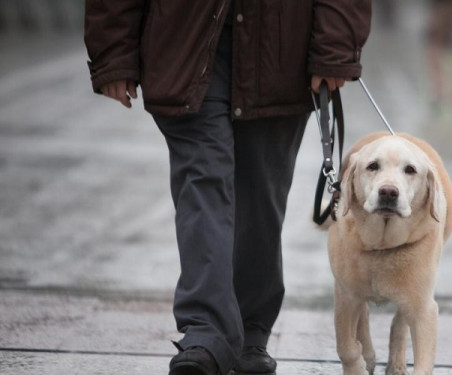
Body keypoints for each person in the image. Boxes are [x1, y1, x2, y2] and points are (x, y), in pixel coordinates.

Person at [84, 1, 371, 374]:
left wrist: (334, 50)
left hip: (281, 52)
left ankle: (250, 331)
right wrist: (114, 52)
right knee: (203, 185)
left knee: (260, 198)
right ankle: (206, 331)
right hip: (185, 47)